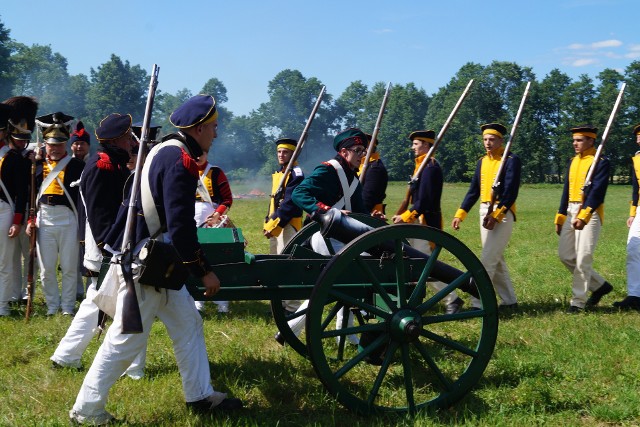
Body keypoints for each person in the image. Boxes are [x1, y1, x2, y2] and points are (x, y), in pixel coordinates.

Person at [69, 95, 242, 425]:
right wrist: (204, 272)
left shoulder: (166, 151)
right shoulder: (180, 160)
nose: (216, 135)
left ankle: (200, 395)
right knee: (125, 339)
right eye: (214, 128)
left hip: (158, 262)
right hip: (147, 262)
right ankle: (87, 409)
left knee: (188, 323)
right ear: (200, 128)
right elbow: (180, 227)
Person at [51, 113, 145, 378]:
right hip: (105, 246)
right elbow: (99, 214)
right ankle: (131, 366)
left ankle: (66, 355)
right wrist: (111, 247)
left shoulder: (113, 164)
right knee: (125, 304)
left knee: (97, 302)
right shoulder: (102, 166)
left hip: (110, 245)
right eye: (127, 137)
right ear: (116, 141)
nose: (131, 141)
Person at [287, 128, 372, 346]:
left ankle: (345, 334)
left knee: (348, 283)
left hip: (343, 237)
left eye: (363, 150)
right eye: (358, 150)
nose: (362, 154)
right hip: (323, 235)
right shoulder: (328, 171)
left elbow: (360, 212)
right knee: (340, 282)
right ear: (344, 152)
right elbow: (299, 193)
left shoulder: (353, 178)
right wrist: (325, 210)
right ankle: (291, 330)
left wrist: (374, 219)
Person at [392, 130, 463, 314]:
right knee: (411, 261)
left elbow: (424, 201)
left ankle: (453, 299)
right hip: (416, 221)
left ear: (425, 145)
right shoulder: (421, 166)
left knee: (424, 264)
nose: (412, 147)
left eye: (416, 144)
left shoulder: (430, 167)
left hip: (425, 221)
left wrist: (405, 217)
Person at [451, 123, 520, 312]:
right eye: (485, 139)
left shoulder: (511, 160)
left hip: (503, 214)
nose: (488, 143)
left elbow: (511, 193)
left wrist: (496, 215)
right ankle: (510, 302)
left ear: (500, 140)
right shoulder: (482, 161)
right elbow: (474, 190)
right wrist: (461, 214)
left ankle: (478, 304)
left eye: (492, 139)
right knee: (496, 260)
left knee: (487, 260)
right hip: (484, 211)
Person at [26, 113, 83, 316]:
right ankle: (52, 306)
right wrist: (30, 220)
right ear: (46, 144)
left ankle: (67, 307)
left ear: (66, 143)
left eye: (59, 144)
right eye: (51, 144)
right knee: (47, 268)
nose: (55, 148)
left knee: (68, 267)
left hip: (68, 218)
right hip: (45, 218)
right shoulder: (36, 165)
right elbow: (30, 197)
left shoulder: (77, 166)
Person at [555, 125, 612, 313]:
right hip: (571, 209)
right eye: (574, 140)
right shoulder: (573, 161)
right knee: (565, 255)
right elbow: (566, 190)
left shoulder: (600, 162)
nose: (575, 144)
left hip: (590, 212)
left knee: (583, 257)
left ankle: (578, 301)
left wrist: (584, 216)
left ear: (591, 141)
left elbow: (597, 193)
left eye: (579, 140)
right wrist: (561, 216)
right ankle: (600, 286)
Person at [0, 97, 36, 316]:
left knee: (5, 262)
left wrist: (17, 221)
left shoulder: (12, 158)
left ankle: (2, 306)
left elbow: (22, 193)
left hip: (4, 210)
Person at [263, 137, 304, 322]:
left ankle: (292, 307)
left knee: (288, 266)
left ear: (293, 153)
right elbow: (274, 200)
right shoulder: (280, 171)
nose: (281, 155)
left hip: (287, 225)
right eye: (279, 151)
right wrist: (267, 221)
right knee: (275, 265)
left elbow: (289, 205)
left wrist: (273, 225)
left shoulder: (296, 173)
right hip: (276, 224)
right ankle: (279, 304)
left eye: (285, 152)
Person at [193, 148, 233, 313]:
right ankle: (197, 298)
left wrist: (217, 215)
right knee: (194, 258)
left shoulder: (216, 172)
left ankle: (221, 300)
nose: (198, 156)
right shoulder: (188, 171)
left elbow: (227, 199)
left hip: (212, 222)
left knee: (217, 259)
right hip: (191, 221)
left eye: (201, 153)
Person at [615, 124, 640, 310]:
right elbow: (635, 188)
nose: (638, 139)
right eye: (637, 136)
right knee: (633, 247)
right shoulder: (637, 159)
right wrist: (632, 213)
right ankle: (635, 295)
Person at [70, 120, 92, 300]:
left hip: (87, 213)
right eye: (76, 143)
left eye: (82, 143)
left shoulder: (92, 162)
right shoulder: (67, 165)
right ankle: (77, 290)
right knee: (73, 255)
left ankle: (89, 288)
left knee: (87, 251)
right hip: (70, 212)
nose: (78, 146)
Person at [359, 133, 388, 214]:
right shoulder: (363, 165)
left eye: (359, 148)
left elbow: (367, 200)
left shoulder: (375, 168)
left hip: (369, 215)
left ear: (368, 148)